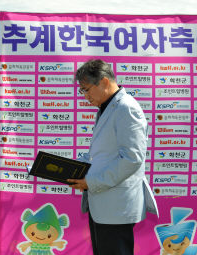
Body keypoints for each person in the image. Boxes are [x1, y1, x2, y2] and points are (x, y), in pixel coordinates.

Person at [67, 59, 158, 255]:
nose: (85, 96)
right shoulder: (108, 108)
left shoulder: (126, 108)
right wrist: (74, 168)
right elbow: (103, 154)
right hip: (103, 204)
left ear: (105, 82)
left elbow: (132, 159)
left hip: (116, 207)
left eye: (86, 89)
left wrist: (91, 182)